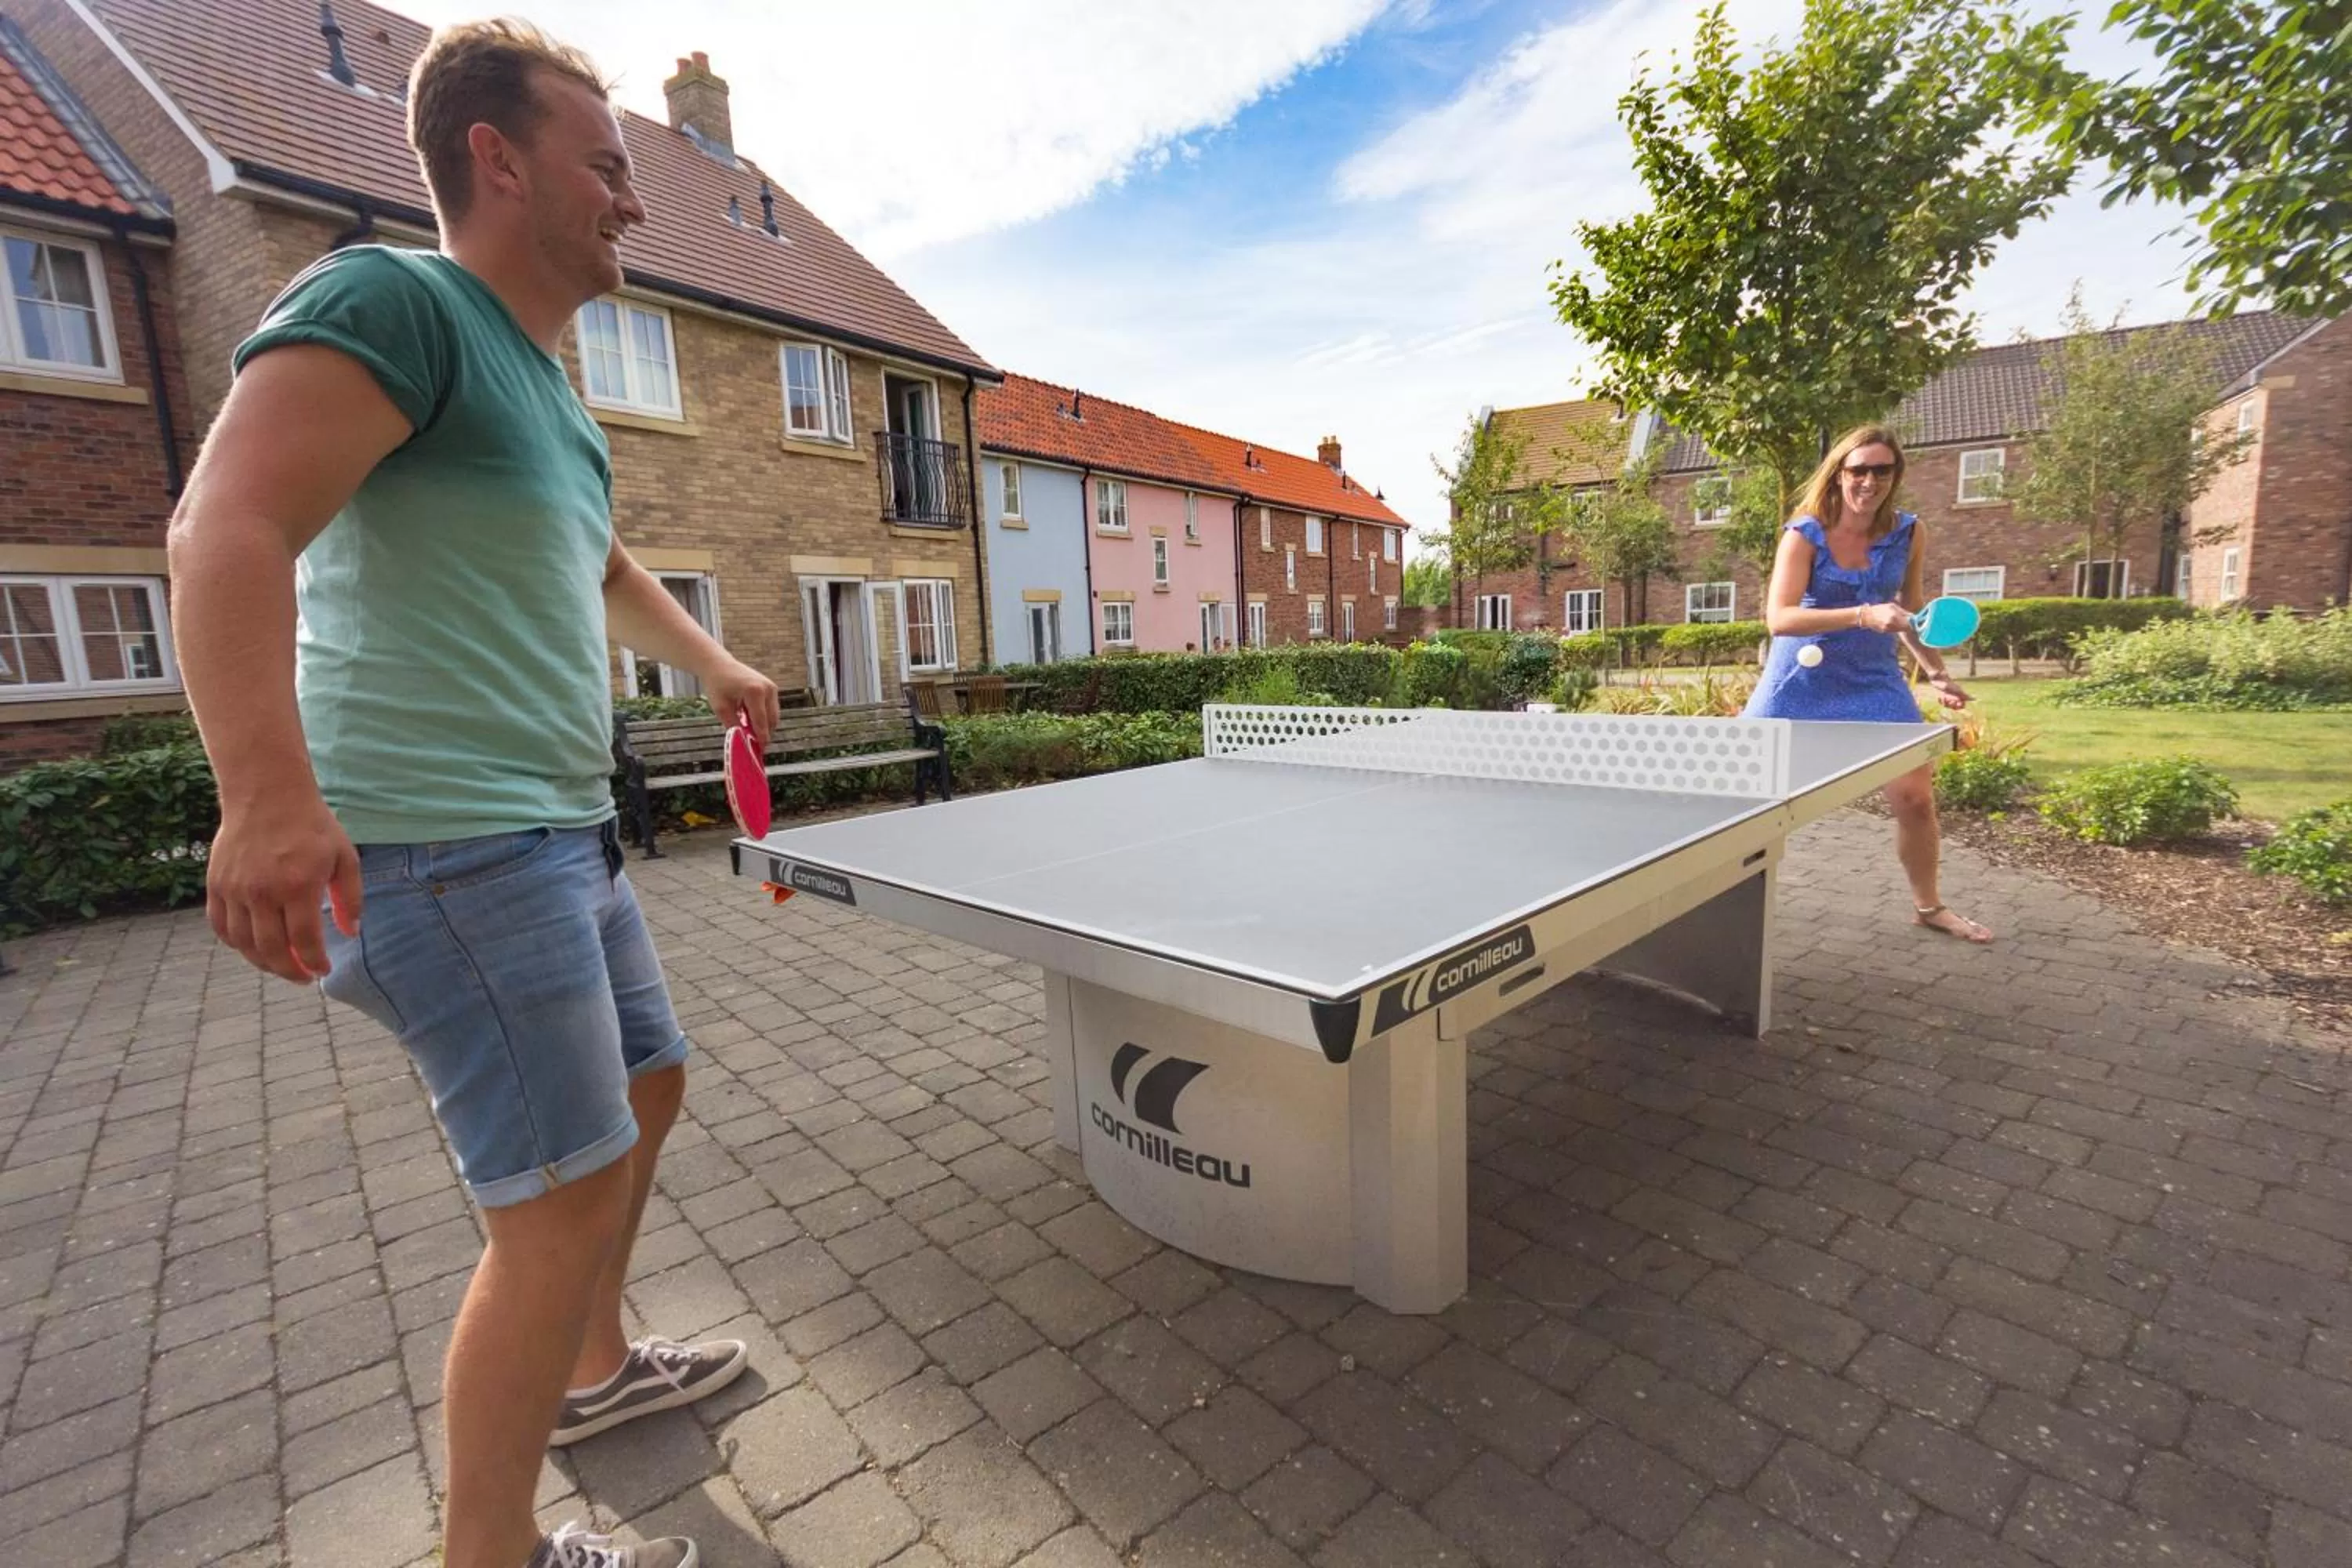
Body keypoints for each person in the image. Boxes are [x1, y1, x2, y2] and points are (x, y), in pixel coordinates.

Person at [167, 20, 779, 1568]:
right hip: (446, 848)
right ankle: (491, 1551)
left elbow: (601, 559)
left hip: (560, 838)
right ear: (496, 159)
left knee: (649, 1087)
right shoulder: (397, 300)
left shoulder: (549, 392)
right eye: (609, 164)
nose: (634, 199)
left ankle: (590, 1370)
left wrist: (712, 667)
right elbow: (222, 525)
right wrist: (264, 800)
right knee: (552, 1205)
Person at [1743, 425, 1992, 943]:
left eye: (1883, 470)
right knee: (1743, 792)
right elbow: (1779, 618)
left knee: (1915, 800)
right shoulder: (1804, 533)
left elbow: (1911, 615)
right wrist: (1861, 615)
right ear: (1839, 475)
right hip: (1800, 678)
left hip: (1876, 680)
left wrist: (1937, 674)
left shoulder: (1909, 532)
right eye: (1859, 469)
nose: (1870, 481)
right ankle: (1704, 899)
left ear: (1895, 476)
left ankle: (1929, 906)